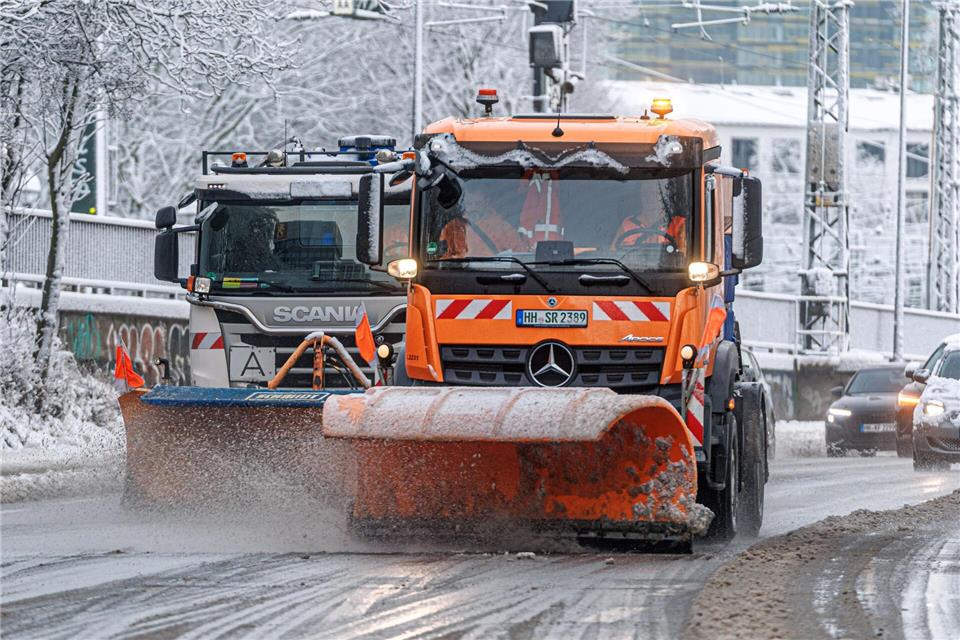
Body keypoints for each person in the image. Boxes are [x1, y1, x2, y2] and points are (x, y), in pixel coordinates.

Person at [612, 207, 686, 254]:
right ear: (641, 197)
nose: (650, 199)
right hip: (633, 269)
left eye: (654, 194)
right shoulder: (627, 224)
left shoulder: (677, 224)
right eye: (646, 195)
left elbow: (684, 255)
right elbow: (612, 253)